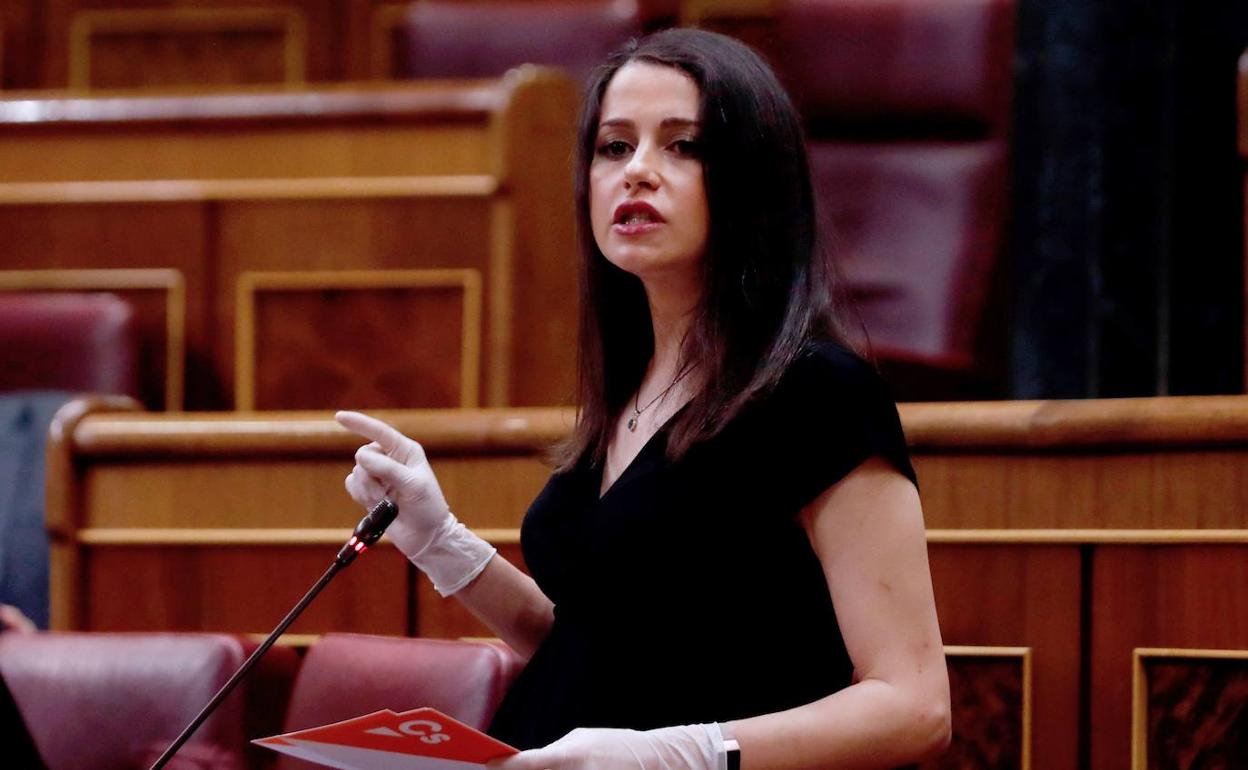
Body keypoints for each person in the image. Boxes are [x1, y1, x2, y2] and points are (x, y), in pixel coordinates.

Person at [337, 28, 950, 770]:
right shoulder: (627, 391)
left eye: (682, 146)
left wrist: (684, 755)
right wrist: (443, 544)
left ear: (751, 178)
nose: (638, 173)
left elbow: (913, 706)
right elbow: (606, 650)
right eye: (613, 147)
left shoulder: (819, 394)